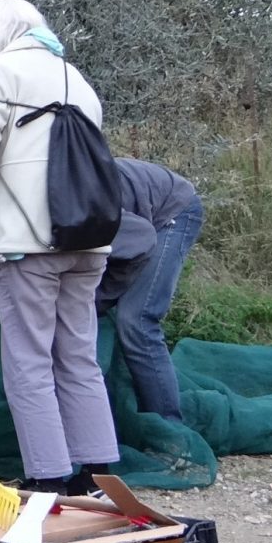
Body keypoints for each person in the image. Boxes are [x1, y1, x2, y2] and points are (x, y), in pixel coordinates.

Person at [0, 0, 119, 497]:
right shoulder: (77, 79)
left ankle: (47, 478)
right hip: (89, 241)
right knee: (79, 355)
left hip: (29, 245)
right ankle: (98, 474)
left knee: (29, 359)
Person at [96, 159, 204, 421]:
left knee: (137, 320)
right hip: (135, 216)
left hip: (172, 211)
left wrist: (102, 297)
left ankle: (168, 428)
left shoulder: (84, 206)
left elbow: (140, 240)